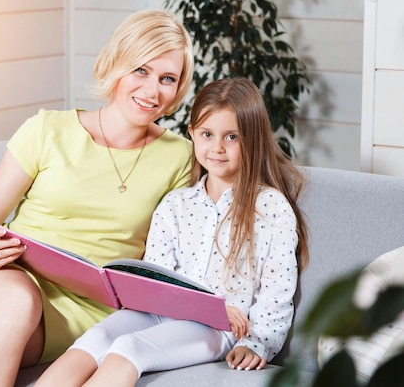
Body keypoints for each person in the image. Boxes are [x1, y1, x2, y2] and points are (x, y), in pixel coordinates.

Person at [0, 8, 195, 387]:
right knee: (17, 301)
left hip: (85, 308)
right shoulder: (47, 129)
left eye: (167, 78)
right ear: (116, 65)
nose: (151, 90)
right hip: (1, 278)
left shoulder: (181, 157)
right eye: (140, 70)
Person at [34, 77, 310, 387]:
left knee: (129, 347)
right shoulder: (176, 203)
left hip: (220, 329)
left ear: (253, 139)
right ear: (192, 135)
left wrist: (258, 342)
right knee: (98, 336)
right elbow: (158, 277)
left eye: (232, 137)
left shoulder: (270, 206)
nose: (217, 148)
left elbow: (277, 288)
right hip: (163, 313)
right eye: (207, 134)